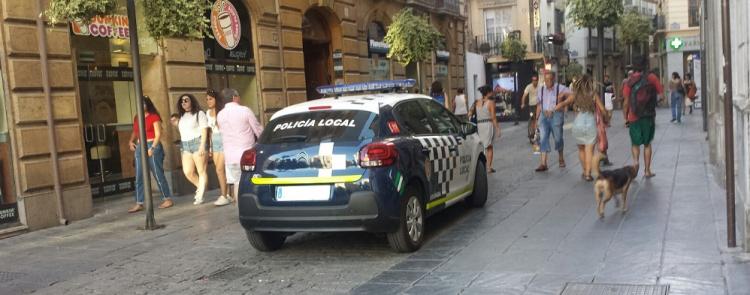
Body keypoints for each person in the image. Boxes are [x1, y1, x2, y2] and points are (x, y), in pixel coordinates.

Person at [555, 74, 607, 181]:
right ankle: (588, 173)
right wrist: (607, 118)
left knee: (581, 149)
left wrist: (555, 108)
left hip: (577, 124)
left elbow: (564, 102)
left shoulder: (575, 94)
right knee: (589, 150)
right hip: (590, 124)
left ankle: (584, 171)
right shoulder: (593, 94)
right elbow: (602, 109)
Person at [127, 96, 173, 213]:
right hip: (139, 147)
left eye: (143, 104)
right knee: (139, 175)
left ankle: (167, 199)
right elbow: (135, 131)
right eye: (139, 104)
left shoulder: (154, 117)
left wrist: (152, 148)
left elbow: (158, 134)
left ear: (147, 105)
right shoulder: (137, 117)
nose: (141, 107)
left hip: (152, 145)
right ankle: (139, 202)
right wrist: (130, 141)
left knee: (157, 173)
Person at [217, 88, 264, 200]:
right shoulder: (245, 110)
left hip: (230, 157)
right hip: (246, 156)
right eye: (238, 96)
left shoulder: (220, 115)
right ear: (234, 97)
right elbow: (258, 130)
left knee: (237, 184)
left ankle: (239, 211)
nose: (240, 98)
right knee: (251, 184)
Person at [622, 60, 664, 178]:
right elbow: (661, 96)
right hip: (648, 116)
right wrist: (652, 102)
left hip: (634, 116)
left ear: (633, 68)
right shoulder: (652, 78)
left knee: (635, 144)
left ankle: (635, 165)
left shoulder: (629, 81)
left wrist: (626, 117)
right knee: (647, 143)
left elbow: (626, 102)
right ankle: (647, 171)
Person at [171, 94, 209, 205]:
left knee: (201, 170)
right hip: (185, 145)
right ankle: (200, 187)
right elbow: (184, 131)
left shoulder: (199, 113)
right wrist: (176, 124)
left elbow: (204, 130)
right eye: (182, 101)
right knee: (188, 171)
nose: (183, 102)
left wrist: (202, 145)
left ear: (191, 101)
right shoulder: (181, 116)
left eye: (186, 100)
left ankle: (200, 195)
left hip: (197, 142)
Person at [535, 71, 570, 172]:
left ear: (554, 79)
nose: (548, 81)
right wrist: (536, 119)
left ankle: (560, 157)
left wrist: (564, 96)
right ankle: (543, 163)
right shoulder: (541, 89)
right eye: (546, 80)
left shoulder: (560, 87)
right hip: (543, 115)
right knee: (543, 138)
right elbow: (538, 105)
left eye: (550, 79)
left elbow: (572, 94)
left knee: (558, 138)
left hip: (556, 115)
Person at [468, 85, 501, 173]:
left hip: (479, 125)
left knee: (481, 146)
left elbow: (469, 113)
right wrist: (497, 129)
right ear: (489, 92)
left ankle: (480, 167)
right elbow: (493, 117)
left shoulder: (476, 102)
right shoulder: (491, 102)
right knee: (489, 147)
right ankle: (488, 167)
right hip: (488, 125)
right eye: (491, 92)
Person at [206, 89, 231, 206]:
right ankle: (227, 194)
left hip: (224, 139)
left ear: (216, 99)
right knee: (220, 170)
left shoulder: (223, 112)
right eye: (207, 99)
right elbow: (210, 132)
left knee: (220, 169)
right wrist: (210, 147)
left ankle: (224, 195)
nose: (208, 101)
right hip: (214, 140)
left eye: (210, 99)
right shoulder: (207, 113)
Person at [521, 74, 539, 138]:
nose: (534, 81)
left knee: (539, 118)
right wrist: (523, 103)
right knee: (532, 118)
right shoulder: (529, 87)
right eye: (533, 80)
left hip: (539, 105)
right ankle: (532, 131)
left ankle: (539, 129)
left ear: (537, 80)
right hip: (531, 106)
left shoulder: (540, 86)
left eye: (535, 80)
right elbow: (524, 96)